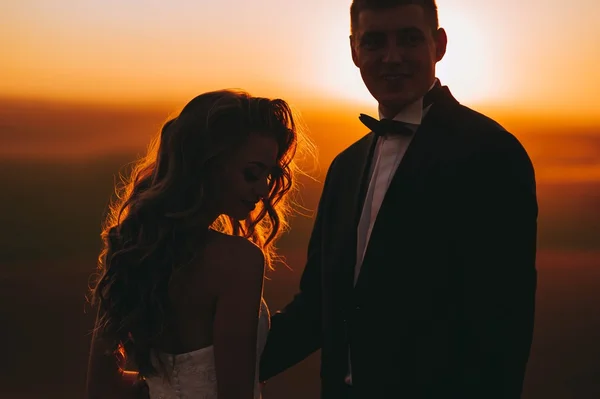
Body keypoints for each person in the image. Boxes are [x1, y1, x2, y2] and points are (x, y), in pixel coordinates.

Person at [259, 0, 538, 398]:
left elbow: (502, 324)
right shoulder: (345, 166)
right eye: (374, 42)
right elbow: (319, 308)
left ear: (438, 45)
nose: (392, 57)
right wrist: (203, 372)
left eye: (408, 39)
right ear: (354, 51)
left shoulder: (492, 154)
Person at [85, 89, 313, 399]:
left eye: (269, 176)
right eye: (251, 174)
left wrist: (165, 388)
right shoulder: (239, 260)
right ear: (207, 165)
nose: (262, 189)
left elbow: (102, 388)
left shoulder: (132, 248)